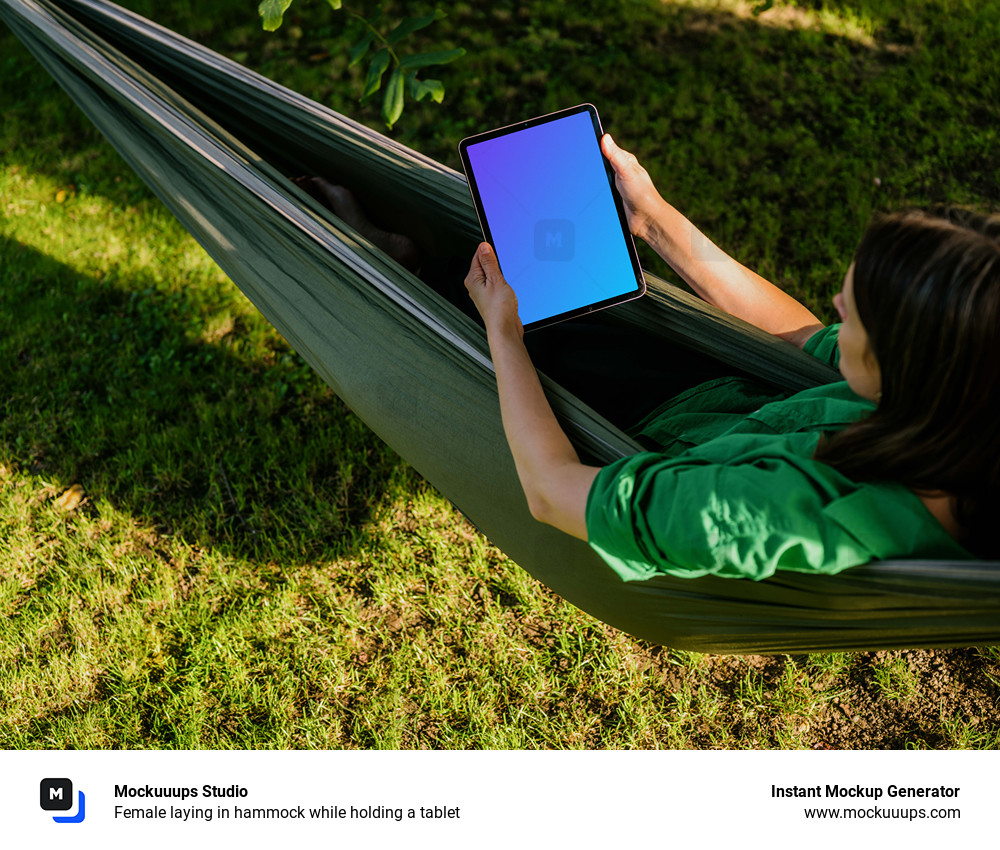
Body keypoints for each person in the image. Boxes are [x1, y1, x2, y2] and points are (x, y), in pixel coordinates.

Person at [298, 136, 1000, 581]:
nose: (835, 311)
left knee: (484, 311)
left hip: (640, 442)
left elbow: (550, 490)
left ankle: (387, 266)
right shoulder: (965, 409)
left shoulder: (757, 515)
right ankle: (416, 258)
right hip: (726, 403)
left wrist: (501, 333)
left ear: (913, 368)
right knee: (552, 277)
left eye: (854, 314)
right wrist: (655, 218)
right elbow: (803, 343)